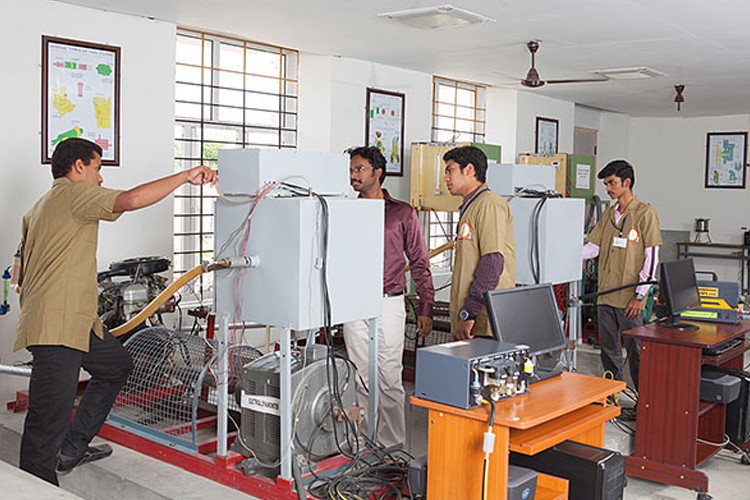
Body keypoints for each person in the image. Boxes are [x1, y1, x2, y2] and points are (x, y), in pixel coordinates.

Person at [14, 138, 217, 485]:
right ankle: (36, 486)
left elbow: (21, 272)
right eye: (97, 168)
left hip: (76, 320)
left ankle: (73, 446)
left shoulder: (39, 207)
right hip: (57, 324)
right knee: (46, 421)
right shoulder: (72, 194)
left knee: (116, 365)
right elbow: (132, 200)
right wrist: (185, 176)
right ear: (78, 167)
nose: (100, 178)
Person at [343, 146, 434, 448]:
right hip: (354, 302)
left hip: (390, 301)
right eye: (352, 170)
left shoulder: (402, 213)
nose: (353, 175)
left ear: (377, 173)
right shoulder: (346, 209)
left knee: (390, 377)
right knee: (360, 376)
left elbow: (419, 261)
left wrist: (426, 306)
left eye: (359, 169)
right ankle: (364, 442)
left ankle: (391, 446)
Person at [583, 159, 661, 389]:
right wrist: (564, 254)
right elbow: (593, 248)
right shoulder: (608, 215)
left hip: (630, 298)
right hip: (606, 295)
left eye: (612, 183)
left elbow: (652, 257)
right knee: (608, 351)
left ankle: (643, 401)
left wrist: (639, 296)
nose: (608, 188)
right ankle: (612, 395)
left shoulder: (645, 214)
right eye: (606, 184)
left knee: (636, 351)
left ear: (627, 182)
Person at [444, 145, 515, 340]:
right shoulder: (471, 206)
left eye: (450, 170)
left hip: (483, 318)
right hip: (471, 317)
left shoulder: (489, 204)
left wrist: (471, 311)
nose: (446, 178)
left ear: (470, 170)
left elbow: (492, 261)